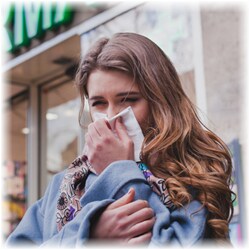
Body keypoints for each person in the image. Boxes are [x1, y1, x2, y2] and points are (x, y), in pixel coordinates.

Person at [6, 32, 234, 247]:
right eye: (99, 103)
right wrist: (89, 234)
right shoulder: (66, 184)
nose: (112, 115)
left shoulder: (192, 175)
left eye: (128, 100)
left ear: (161, 102)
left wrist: (118, 171)